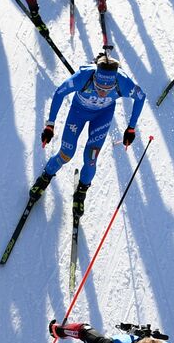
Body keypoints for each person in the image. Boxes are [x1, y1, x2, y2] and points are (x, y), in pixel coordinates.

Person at [29, 51, 146, 218]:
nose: (103, 92)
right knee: (66, 153)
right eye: (99, 87)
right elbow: (60, 92)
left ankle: (82, 191)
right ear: (94, 78)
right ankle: (45, 177)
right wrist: (50, 124)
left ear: (115, 82)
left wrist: (131, 128)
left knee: (91, 159)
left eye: (108, 89)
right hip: (78, 113)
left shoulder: (123, 81)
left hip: (102, 116)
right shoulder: (84, 76)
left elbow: (141, 97)